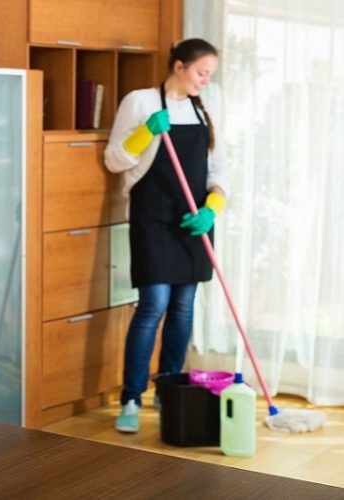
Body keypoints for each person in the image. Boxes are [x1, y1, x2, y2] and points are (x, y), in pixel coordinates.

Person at [104, 38, 229, 433]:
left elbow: (220, 171)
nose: (205, 81)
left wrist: (213, 210)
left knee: (183, 309)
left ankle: (168, 387)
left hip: (192, 221)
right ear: (179, 66)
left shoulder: (205, 109)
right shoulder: (141, 102)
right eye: (200, 72)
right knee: (153, 305)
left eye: (209, 75)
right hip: (152, 219)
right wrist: (144, 134)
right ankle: (130, 398)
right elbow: (114, 160)